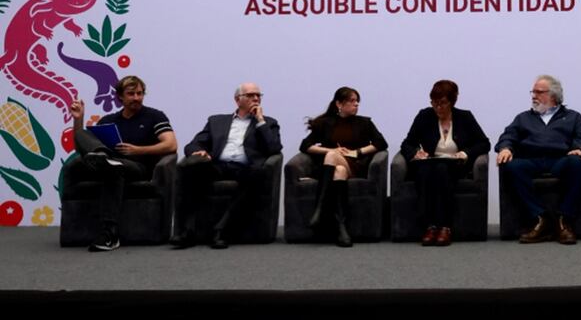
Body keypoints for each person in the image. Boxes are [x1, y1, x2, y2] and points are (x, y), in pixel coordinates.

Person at [68, 75, 177, 252]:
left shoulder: (154, 116)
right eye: (131, 94)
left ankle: (109, 233)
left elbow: (171, 144)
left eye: (139, 93)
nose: (136, 98)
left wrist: (137, 150)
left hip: (137, 167)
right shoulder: (108, 120)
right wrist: (78, 119)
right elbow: (80, 146)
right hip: (109, 165)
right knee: (84, 136)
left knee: (114, 168)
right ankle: (103, 156)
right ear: (120, 96)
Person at [170, 82, 282, 249]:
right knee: (191, 169)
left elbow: (274, 148)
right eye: (250, 95)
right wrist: (199, 151)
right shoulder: (216, 121)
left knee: (258, 175)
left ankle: (221, 230)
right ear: (237, 99)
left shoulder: (269, 123)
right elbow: (193, 144)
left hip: (246, 167)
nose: (256, 98)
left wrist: (260, 120)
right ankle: (186, 232)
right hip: (218, 165)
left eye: (258, 95)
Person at [495, 75, 581, 245]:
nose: (534, 96)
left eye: (539, 92)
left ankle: (563, 220)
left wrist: (580, 149)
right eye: (533, 92)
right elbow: (508, 135)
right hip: (531, 159)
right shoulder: (523, 117)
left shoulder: (572, 117)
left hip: (559, 159)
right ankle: (541, 218)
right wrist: (505, 148)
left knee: (577, 162)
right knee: (511, 165)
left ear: (553, 95)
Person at [400, 79, 491, 246]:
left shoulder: (465, 117)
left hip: (455, 165)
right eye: (434, 103)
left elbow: (484, 143)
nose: (438, 108)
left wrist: (465, 153)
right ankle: (430, 226)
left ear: (452, 101)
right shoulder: (424, 116)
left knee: (442, 169)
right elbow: (407, 144)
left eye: (442, 103)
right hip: (429, 164)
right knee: (426, 172)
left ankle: (444, 226)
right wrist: (415, 153)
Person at [300, 86, 388, 247]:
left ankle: (320, 209)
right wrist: (330, 150)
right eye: (352, 101)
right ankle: (341, 228)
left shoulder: (364, 122)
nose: (356, 104)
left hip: (355, 165)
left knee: (332, 157)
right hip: (333, 167)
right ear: (339, 104)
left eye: (357, 101)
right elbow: (305, 146)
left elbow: (381, 143)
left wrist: (357, 152)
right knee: (338, 169)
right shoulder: (326, 123)